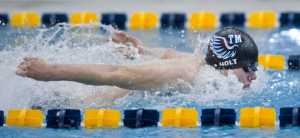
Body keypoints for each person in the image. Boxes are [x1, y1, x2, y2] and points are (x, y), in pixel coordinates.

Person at [16, 27, 258, 100]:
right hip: (73, 107)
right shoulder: (186, 74)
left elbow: (168, 54)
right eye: (248, 68)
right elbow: (116, 72)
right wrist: (50, 71)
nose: (253, 75)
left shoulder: (202, 66)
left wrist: (140, 49)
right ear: (227, 64)